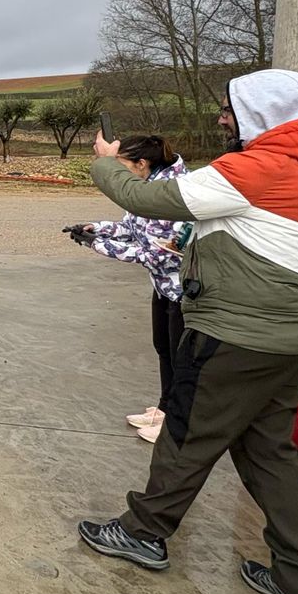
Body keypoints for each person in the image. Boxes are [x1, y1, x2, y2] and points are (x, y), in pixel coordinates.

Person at [77, 70, 298, 594]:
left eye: (231, 110)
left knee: (188, 432)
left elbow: (147, 195)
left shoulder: (255, 168)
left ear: (261, 116)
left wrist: (107, 159)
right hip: (297, 338)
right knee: (267, 453)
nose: (221, 119)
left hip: (236, 338)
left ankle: (143, 533)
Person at [67, 134, 188, 443]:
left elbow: (157, 254)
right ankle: (164, 409)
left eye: (121, 166)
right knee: (163, 348)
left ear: (141, 164)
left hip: (182, 291)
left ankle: (177, 423)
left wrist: (99, 246)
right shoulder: (147, 190)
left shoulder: (173, 196)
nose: (119, 175)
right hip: (162, 287)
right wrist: (96, 229)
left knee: (180, 358)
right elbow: (131, 228)